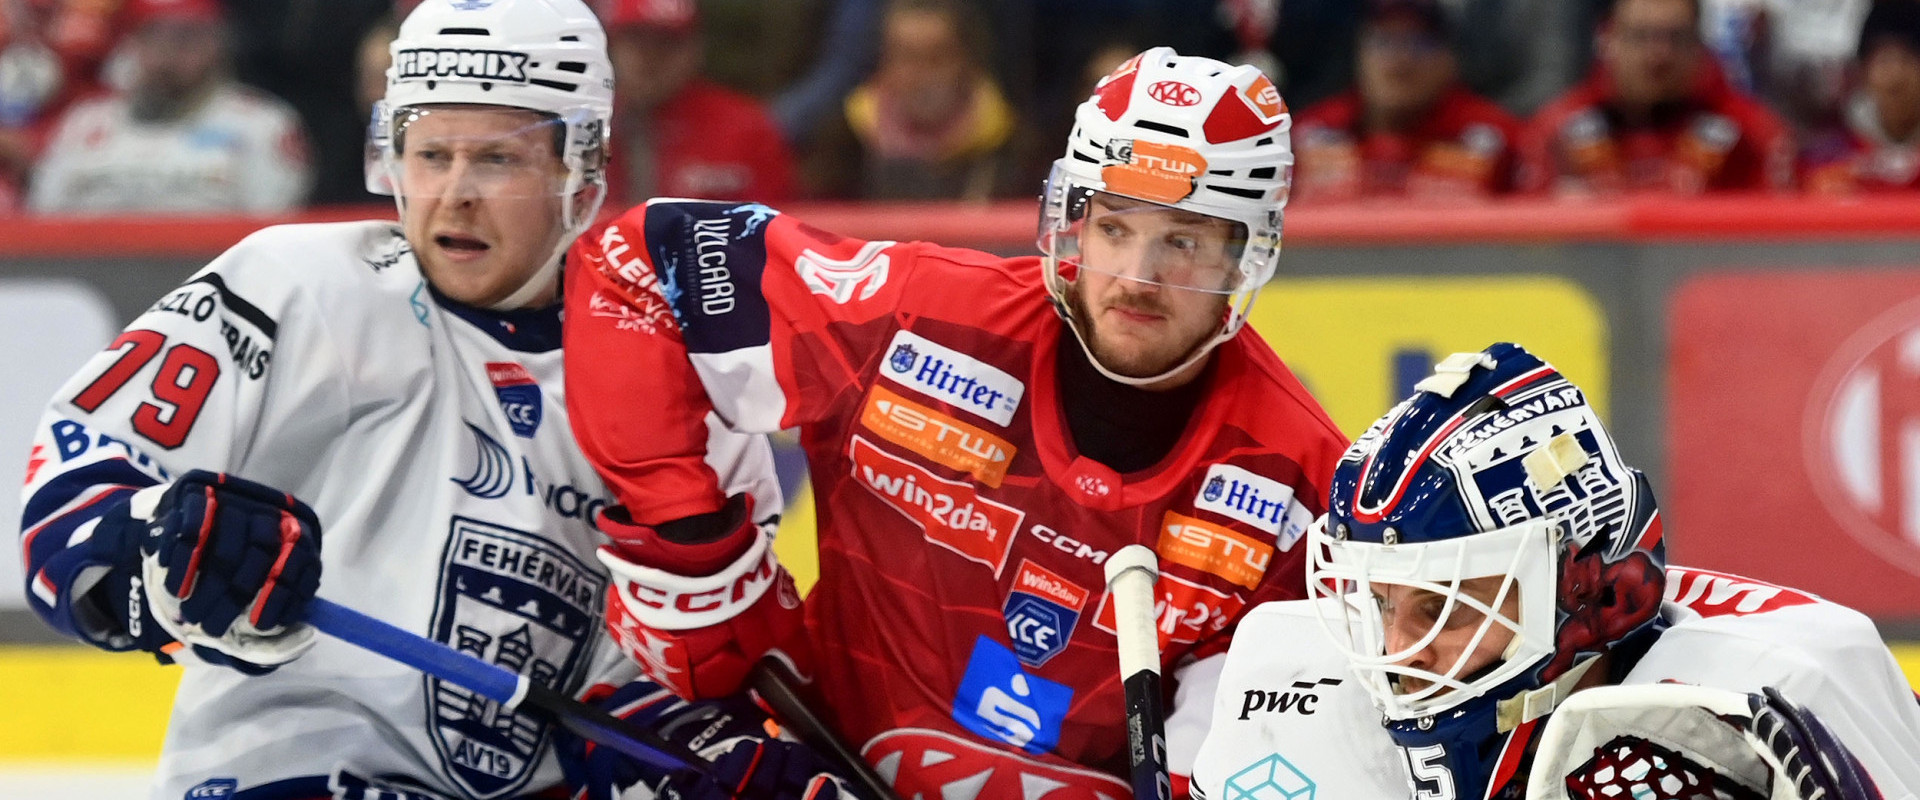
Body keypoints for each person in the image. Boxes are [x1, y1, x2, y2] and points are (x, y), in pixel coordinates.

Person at [14, 1, 820, 797]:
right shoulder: (299, 285)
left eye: (497, 160)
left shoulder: (678, 389)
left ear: (580, 172)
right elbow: (72, 488)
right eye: (431, 155)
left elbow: (658, 677)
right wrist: (156, 549)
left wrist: (691, 746)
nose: (455, 193)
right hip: (284, 772)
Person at [565, 47, 1349, 798]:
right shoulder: (913, 321)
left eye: (1182, 242)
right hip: (815, 754)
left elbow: (1240, 761)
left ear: (1250, 256)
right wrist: (697, 557)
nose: (1137, 278)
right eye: (1115, 228)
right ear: (1074, 219)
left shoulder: (1301, 487)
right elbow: (636, 267)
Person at [1190, 343, 1920, 799]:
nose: (1399, 655)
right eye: (1381, 602)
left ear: (1587, 593)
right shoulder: (1294, 675)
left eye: (1446, 606)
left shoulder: (1787, 682)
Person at [26, 0, 313, 215]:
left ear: (216, 43)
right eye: (153, 37)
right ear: (133, 44)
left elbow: (271, 230)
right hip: (87, 280)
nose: (167, 54)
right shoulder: (84, 123)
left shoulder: (262, 125)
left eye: (185, 38)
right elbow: (44, 217)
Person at [1518, 0, 1795, 195]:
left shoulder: (1755, 134)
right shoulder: (1554, 130)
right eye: (1641, 36)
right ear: (1607, 39)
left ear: (1699, 45)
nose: (1658, 55)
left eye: (1675, 37)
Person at [1290, 0, 1521, 202]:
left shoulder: (1500, 138)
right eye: (1383, 41)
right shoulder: (1305, 134)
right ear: (1358, 53)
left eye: (1421, 44)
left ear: (1452, 58)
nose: (1399, 62)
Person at [599, 0, 796, 207]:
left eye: (666, 42)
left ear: (695, 48)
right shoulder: (581, 124)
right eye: (635, 40)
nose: (649, 58)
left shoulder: (746, 130)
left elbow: (779, 227)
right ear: (610, 45)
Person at [1803, 0, 1920, 194]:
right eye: (1883, 61)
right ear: (1863, 72)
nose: (1895, 76)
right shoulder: (1829, 161)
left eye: (1907, 60)